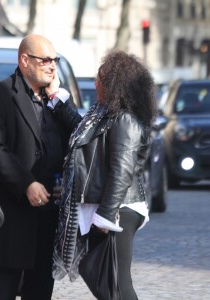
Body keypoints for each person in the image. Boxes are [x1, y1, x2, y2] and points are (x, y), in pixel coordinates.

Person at [0, 34, 81, 300]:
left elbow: (80, 137)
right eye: (45, 60)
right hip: (12, 214)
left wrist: (60, 100)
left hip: (49, 215)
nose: (52, 66)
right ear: (24, 60)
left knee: (40, 289)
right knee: (3, 290)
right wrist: (26, 184)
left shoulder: (55, 100)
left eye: (54, 60)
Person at [53, 50, 158, 300]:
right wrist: (58, 100)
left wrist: (106, 215)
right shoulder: (106, 116)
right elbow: (82, 132)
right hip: (109, 208)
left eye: (100, 79)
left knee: (117, 285)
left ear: (114, 85)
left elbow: (122, 171)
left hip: (119, 209)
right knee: (102, 278)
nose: (95, 84)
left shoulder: (125, 120)